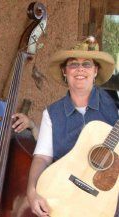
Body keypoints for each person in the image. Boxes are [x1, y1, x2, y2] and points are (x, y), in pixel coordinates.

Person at [26, 36, 118, 217]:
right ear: (64, 71)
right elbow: (42, 157)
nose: (80, 69)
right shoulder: (52, 113)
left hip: (106, 202)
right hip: (63, 198)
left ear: (96, 70)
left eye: (87, 64)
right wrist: (31, 191)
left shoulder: (114, 106)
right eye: (73, 64)